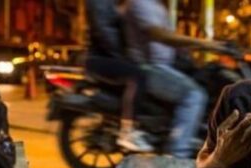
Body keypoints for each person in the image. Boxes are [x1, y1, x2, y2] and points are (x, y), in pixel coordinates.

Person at [125, 0, 222, 158]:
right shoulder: (140, 3)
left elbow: (173, 39)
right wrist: (204, 44)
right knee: (195, 95)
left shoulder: (158, 7)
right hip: (150, 68)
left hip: (167, 67)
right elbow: (160, 35)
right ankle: (178, 154)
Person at [85, 0, 151, 151]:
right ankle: (127, 132)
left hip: (108, 55)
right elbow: (104, 31)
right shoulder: (100, 3)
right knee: (137, 76)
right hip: (101, 58)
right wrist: (123, 58)